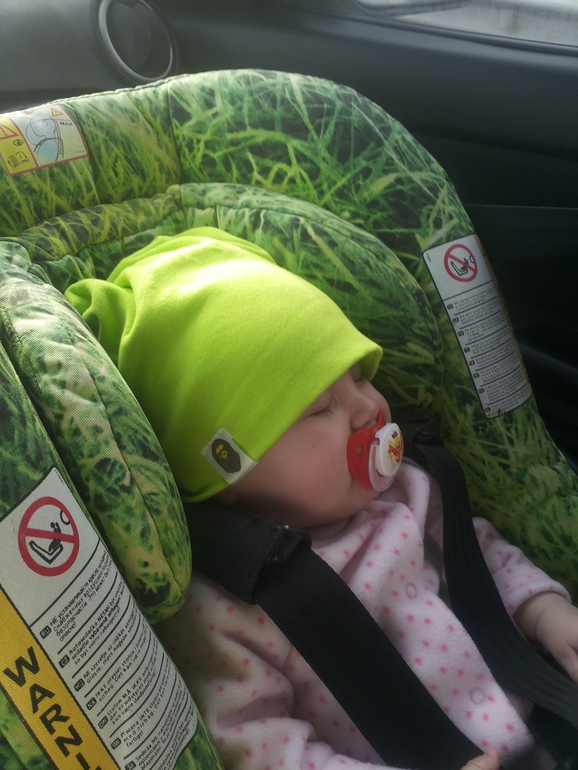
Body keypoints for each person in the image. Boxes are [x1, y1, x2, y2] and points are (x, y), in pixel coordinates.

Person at [66, 228, 578, 770]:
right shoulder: (228, 610)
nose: (370, 409)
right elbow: (260, 746)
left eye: (359, 376)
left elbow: (482, 561)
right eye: (321, 408)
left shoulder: (409, 489)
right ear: (228, 469)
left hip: (547, 722)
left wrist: (545, 612)